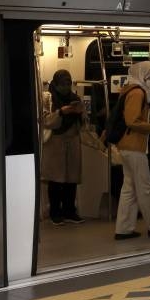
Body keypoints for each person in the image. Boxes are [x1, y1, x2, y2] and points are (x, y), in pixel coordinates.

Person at [114, 62, 150, 240]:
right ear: (143, 76)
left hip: (127, 146)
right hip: (134, 146)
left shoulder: (130, 90)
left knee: (129, 188)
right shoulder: (137, 93)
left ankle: (123, 228)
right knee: (145, 187)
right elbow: (132, 121)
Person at [40, 70, 86, 226]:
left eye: (68, 84)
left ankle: (69, 211)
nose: (66, 87)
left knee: (71, 179)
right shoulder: (48, 98)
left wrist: (79, 112)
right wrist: (61, 112)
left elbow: (83, 122)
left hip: (72, 140)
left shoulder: (75, 98)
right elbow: (46, 121)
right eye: (63, 84)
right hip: (55, 142)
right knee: (56, 180)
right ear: (56, 84)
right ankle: (55, 212)